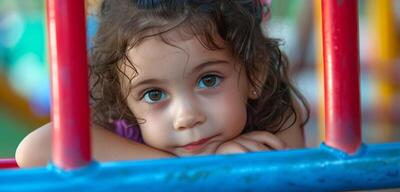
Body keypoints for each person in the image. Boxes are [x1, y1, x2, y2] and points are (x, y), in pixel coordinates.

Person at [16, 0, 309, 168]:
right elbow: (33, 150)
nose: (186, 116)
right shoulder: (125, 134)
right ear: (124, 101)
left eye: (209, 80)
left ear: (254, 73)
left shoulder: (276, 112)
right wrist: (201, 171)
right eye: (154, 94)